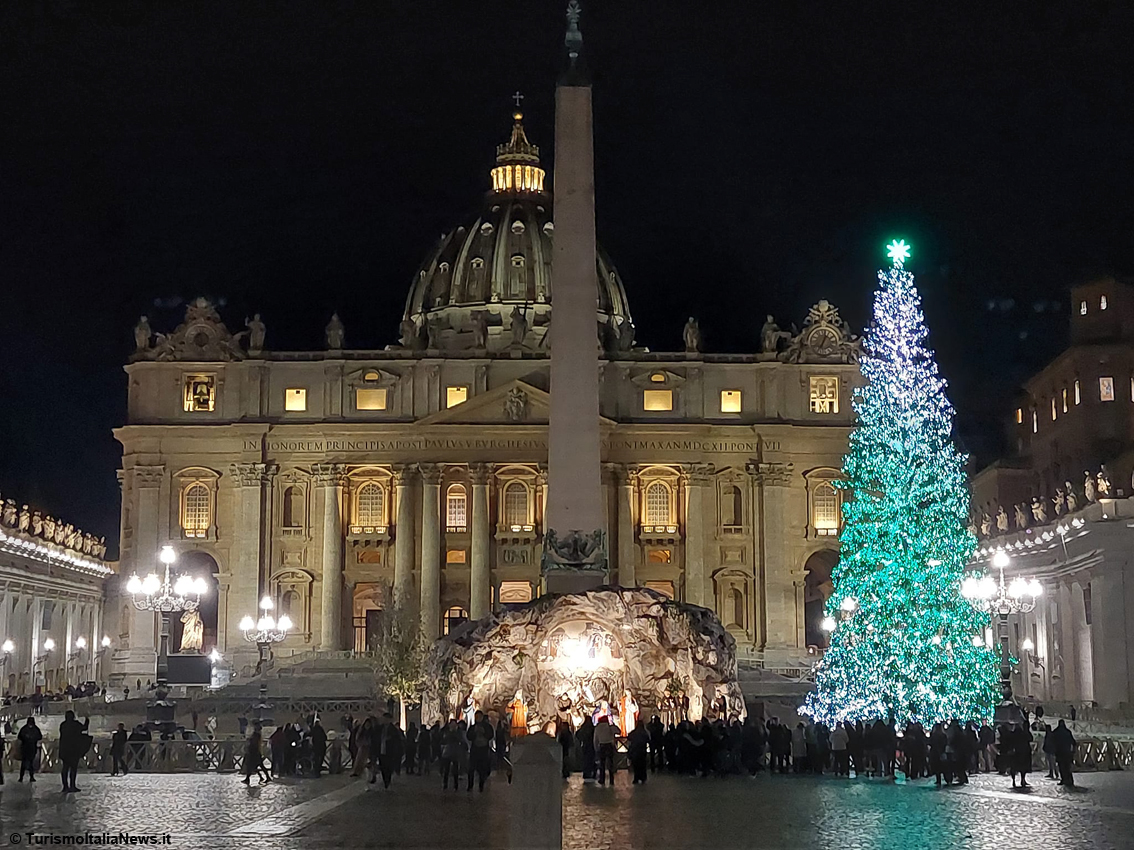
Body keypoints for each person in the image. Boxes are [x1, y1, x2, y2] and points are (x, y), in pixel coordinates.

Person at [58, 710, 90, 792]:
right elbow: (84, 728)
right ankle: (72, 785)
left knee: (65, 768)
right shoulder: (76, 724)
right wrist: (87, 720)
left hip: (65, 750)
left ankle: (65, 786)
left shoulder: (63, 725)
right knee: (73, 768)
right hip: (74, 750)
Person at [372, 713, 403, 789]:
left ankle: (387, 781)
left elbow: (398, 741)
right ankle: (386, 781)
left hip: (390, 751)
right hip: (381, 750)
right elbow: (375, 739)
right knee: (383, 766)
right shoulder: (379, 728)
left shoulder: (394, 730)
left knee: (389, 767)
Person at [466, 711, 494, 792]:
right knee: (471, 769)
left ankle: (481, 784)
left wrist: (484, 733)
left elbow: (490, 735)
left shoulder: (487, 727)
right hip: (475, 750)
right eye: (476, 717)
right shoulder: (472, 727)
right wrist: (474, 733)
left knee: (482, 769)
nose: (478, 719)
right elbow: (469, 736)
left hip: (483, 750)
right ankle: (470, 785)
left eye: (479, 717)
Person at [440, 719, 466, 791]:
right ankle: (445, 784)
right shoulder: (447, 732)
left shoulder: (458, 732)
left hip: (455, 752)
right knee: (447, 770)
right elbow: (443, 740)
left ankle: (455, 785)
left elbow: (461, 740)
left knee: (455, 770)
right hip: (448, 752)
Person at [1050, 719, 1076, 787]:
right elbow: (1073, 742)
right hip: (1067, 752)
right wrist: (1073, 750)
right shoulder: (1068, 732)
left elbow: (1052, 741)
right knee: (1067, 766)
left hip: (1059, 752)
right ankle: (1069, 780)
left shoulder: (1056, 732)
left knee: (1061, 766)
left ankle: (1063, 779)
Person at [594, 715, 616, 786]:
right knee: (610, 763)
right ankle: (611, 779)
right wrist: (613, 725)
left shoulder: (597, 728)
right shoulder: (609, 727)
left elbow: (595, 739)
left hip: (602, 746)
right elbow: (618, 731)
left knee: (602, 764)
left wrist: (596, 748)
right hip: (609, 745)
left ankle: (602, 779)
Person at [17, 716, 41, 782]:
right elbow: (39, 736)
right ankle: (30, 777)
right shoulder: (36, 729)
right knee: (30, 763)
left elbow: (19, 736)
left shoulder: (24, 729)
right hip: (31, 748)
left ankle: (22, 777)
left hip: (26, 748)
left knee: (25, 763)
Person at [577, 715, 596, 783]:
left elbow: (578, 734)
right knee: (591, 760)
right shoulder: (593, 728)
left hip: (585, 746)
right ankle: (592, 772)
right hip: (592, 746)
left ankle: (586, 773)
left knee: (585, 760)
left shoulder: (583, 728)